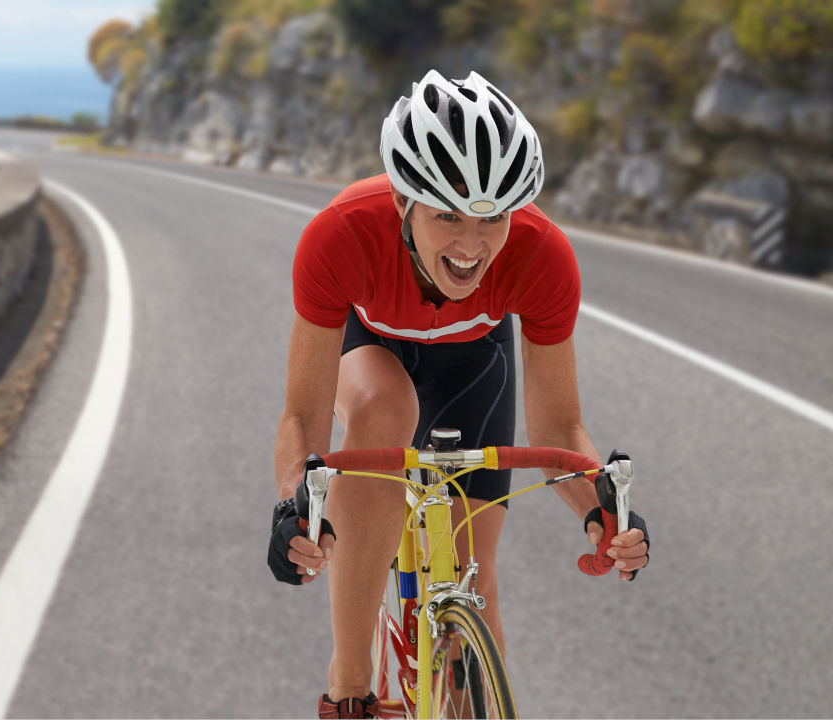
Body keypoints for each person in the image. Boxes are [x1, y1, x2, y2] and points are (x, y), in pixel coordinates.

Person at [267, 69, 650, 719]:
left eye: (491, 218)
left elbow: (559, 432)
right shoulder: (341, 234)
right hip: (374, 350)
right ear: (401, 203)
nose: (471, 246)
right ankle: (351, 680)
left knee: (477, 581)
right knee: (387, 411)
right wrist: (296, 512)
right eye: (445, 215)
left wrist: (606, 517)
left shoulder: (541, 255)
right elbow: (304, 417)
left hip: (474, 360)